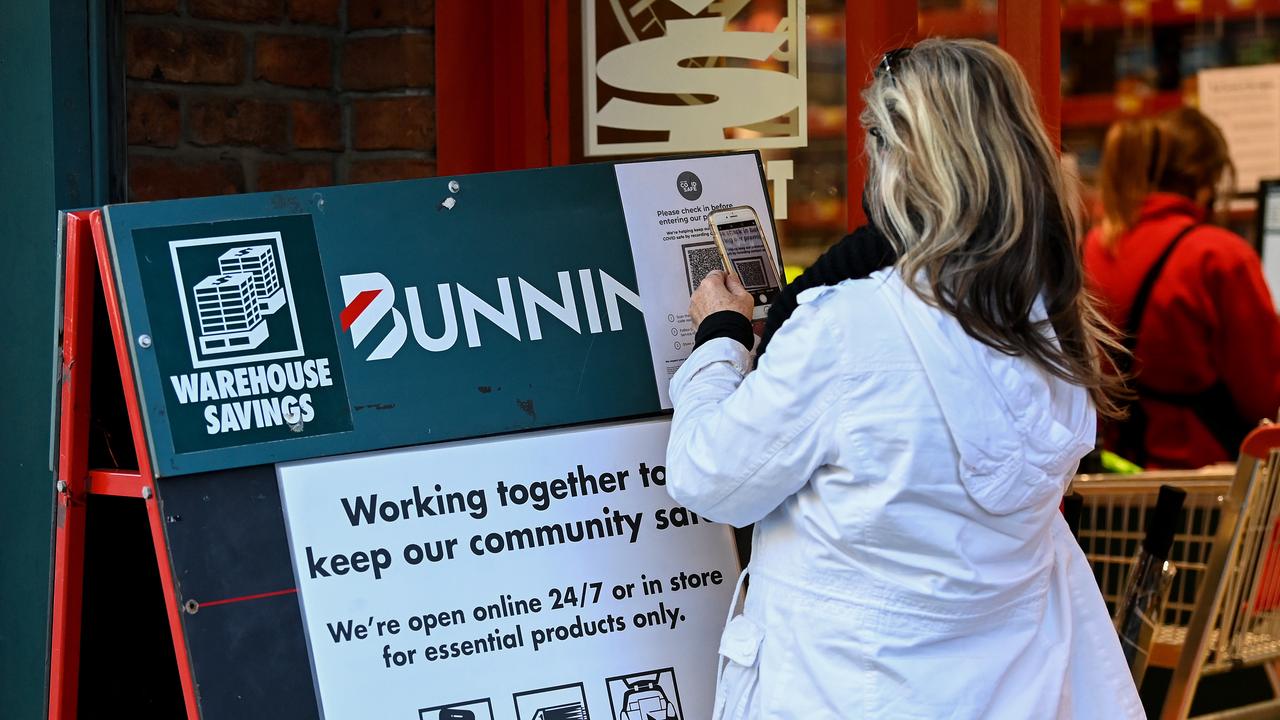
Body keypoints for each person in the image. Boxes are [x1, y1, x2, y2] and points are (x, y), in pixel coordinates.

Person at [665, 39, 1144, 719]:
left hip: (843, 692)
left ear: (898, 158)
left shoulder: (847, 329)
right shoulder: (1050, 323)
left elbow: (710, 477)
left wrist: (721, 338)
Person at [1084, 108, 1280, 469]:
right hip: (1206, 479)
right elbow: (1262, 399)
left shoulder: (1097, 246)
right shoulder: (1218, 255)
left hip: (1121, 472)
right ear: (1205, 180)